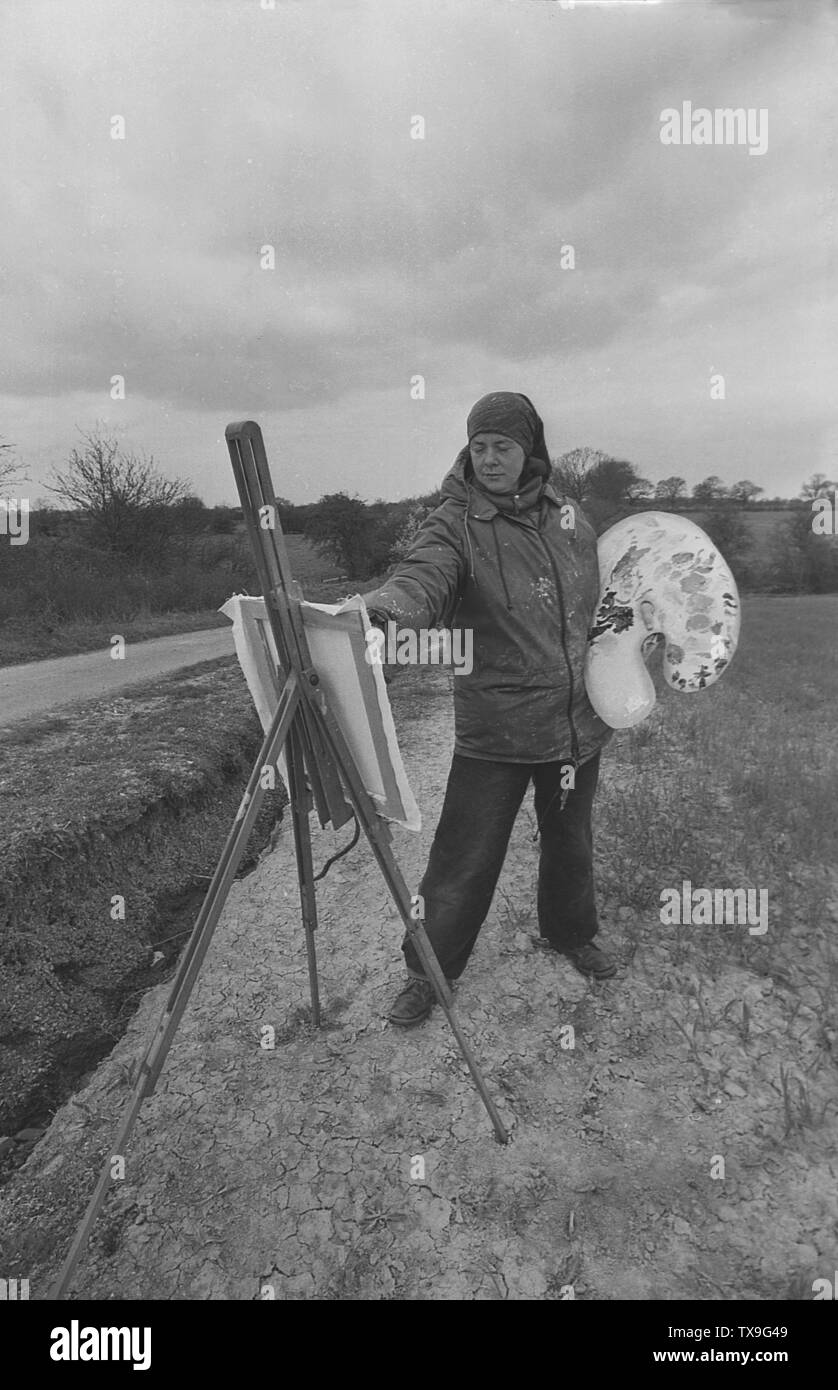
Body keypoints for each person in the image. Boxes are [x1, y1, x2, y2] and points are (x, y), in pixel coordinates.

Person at [363, 391, 616, 1026]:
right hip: (496, 729)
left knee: (570, 843)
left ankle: (571, 934)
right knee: (463, 857)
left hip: (576, 722)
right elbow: (424, 577)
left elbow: (603, 598)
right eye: (479, 447)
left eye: (502, 446)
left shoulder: (570, 519)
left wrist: (633, 630)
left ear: (529, 449)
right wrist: (388, 612)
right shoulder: (455, 523)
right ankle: (428, 972)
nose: (490, 458)